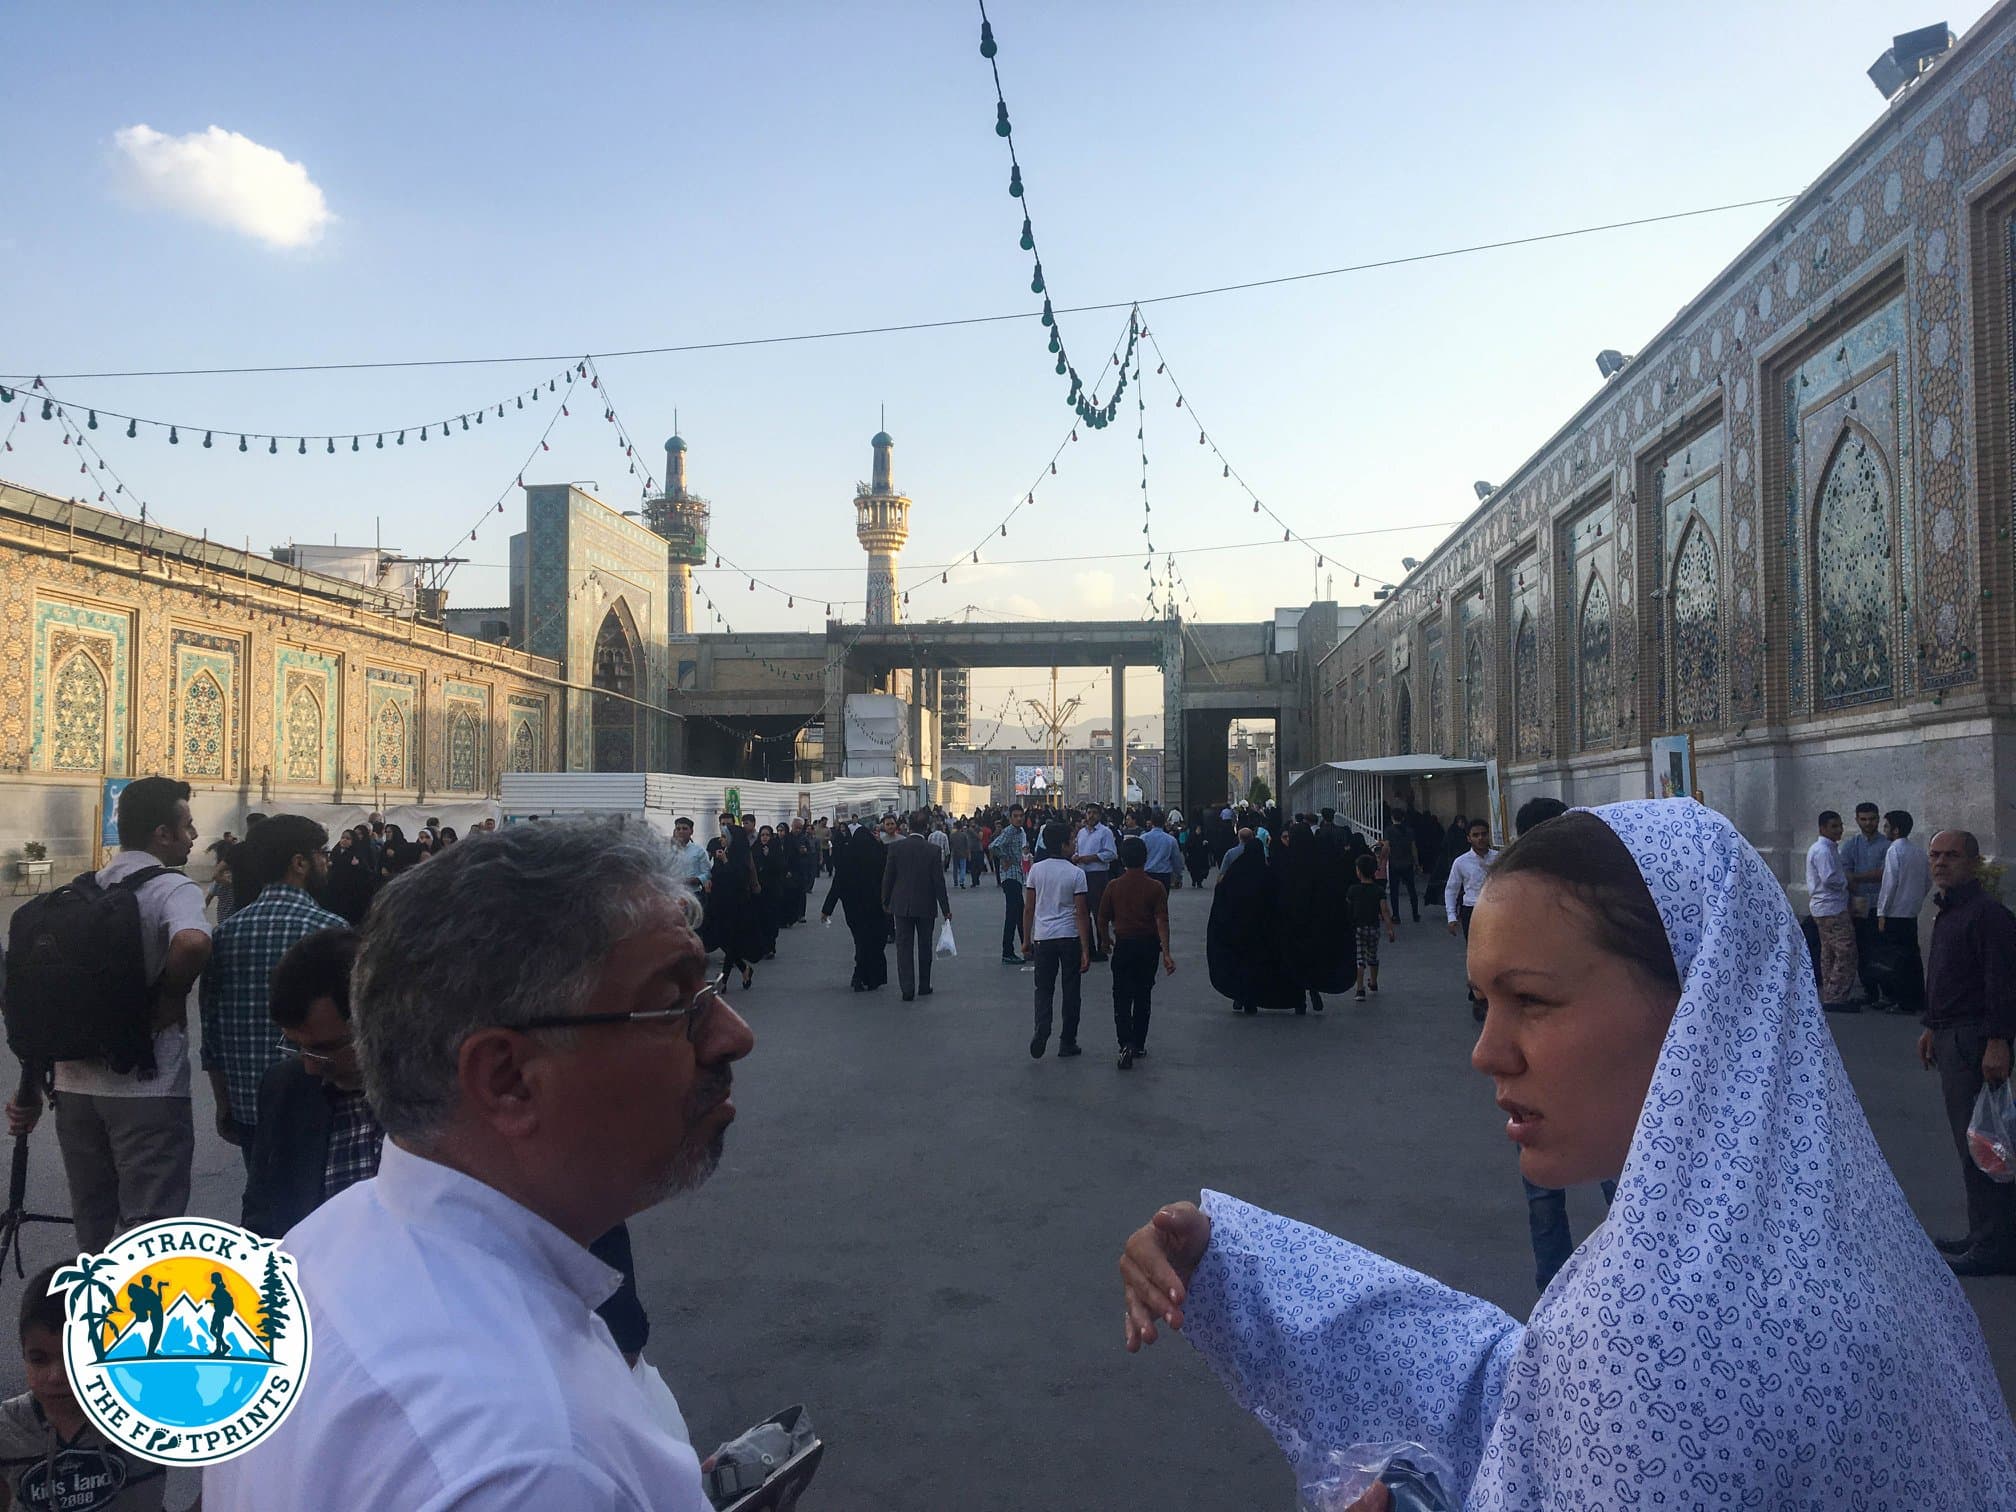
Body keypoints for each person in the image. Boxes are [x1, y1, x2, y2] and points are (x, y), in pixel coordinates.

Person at [1118, 801, 2016, 1506]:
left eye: (1533, 1002)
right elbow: (1527, 1393)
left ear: (1698, 1001)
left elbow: (1595, 1391)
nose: (1486, 1051)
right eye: (1483, 1003)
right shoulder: (1850, 1253)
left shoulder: (1652, 1335)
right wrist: (1240, 1264)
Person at [203, 818, 754, 1511]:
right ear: (507, 1079)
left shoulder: (324, 1246)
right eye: (674, 1005)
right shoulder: (533, 1466)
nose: (734, 1034)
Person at [5, 776, 209, 1254]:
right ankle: (138, 1324)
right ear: (163, 834)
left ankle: (91, 1318)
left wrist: (30, 1088)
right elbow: (194, 942)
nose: (195, 836)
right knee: (149, 1227)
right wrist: (169, 994)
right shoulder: (172, 888)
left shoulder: (82, 889)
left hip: (73, 1088)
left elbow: (38, 995)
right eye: (188, 826)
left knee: (92, 1221)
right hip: (146, 1085)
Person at [199, 815, 346, 1170]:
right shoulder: (331, 932)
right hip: (321, 1104)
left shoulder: (226, 934)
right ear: (300, 863)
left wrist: (224, 1102)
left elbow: (212, 1031)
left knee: (264, 1201)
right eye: (322, 853)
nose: (327, 861)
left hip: (250, 1106)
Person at [1919, 829, 2016, 1276]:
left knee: (1985, 1144)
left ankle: (1995, 1244)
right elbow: (1946, 975)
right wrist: (1929, 1027)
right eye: (1935, 855)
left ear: (1973, 862)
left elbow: (2000, 982)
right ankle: (1983, 1232)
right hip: (1949, 1034)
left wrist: (1999, 1042)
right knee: (1970, 1141)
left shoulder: (1987, 915)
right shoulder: (1947, 911)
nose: (1941, 863)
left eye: (1952, 856)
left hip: (1975, 1040)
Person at [0, 1264, 169, 1509]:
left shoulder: (149, 1413)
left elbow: (230, 1469)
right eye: (39, 1359)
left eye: (75, 1358)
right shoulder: (8, 1430)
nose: (56, 1376)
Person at [1097, 836, 1175, 1070]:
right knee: (1143, 994)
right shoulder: (1155, 887)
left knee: (1121, 996)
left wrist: (1105, 940)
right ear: (1146, 858)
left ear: (1122, 859)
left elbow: (1102, 918)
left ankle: (1125, 1042)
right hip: (1148, 946)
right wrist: (1167, 953)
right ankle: (1139, 1043)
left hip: (1124, 944)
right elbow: (1162, 920)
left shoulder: (1113, 886)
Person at [1206, 841, 1299, 1016]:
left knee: (1244, 966)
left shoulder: (1235, 876)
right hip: (1266, 932)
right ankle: (1290, 999)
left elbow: (1222, 900)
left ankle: (1245, 998)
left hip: (1241, 933)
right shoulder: (1269, 875)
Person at [1025, 823, 1090, 1059]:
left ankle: (1042, 1027)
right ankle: (1067, 1040)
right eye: (1072, 840)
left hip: (1044, 937)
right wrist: (1086, 948)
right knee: (1071, 990)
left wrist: (1026, 939)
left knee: (1043, 988)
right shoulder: (1076, 873)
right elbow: (1081, 913)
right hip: (1069, 937)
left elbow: (1029, 908)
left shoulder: (1036, 870)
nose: (1074, 844)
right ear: (1063, 845)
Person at [881, 809, 951, 1003]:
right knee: (924, 945)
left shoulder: (896, 848)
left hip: (901, 905)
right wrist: (945, 909)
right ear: (926, 827)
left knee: (903, 947)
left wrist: (885, 900)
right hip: (926, 905)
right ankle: (924, 985)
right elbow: (938, 882)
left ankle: (907, 988)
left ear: (907, 827)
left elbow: (888, 877)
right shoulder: (933, 850)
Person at [822, 822, 891, 992]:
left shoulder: (847, 859)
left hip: (854, 911)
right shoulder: (879, 857)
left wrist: (826, 909)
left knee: (861, 942)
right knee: (875, 943)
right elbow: (890, 880)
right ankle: (870, 977)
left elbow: (837, 886)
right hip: (877, 909)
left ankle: (859, 975)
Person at [1875, 808, 1930, 1015]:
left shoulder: (1894, 850)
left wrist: (1882, 912)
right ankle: (1917, 998)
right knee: (1912, 957)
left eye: (1887, 826)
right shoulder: (1918, 851)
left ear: (1896, 830)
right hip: (1910, 912)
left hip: (1895, 912)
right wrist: (1916, 900)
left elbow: (1889, 884)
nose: (1885, 830)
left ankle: (1901, 1000)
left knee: (1897, 959)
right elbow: (1927, 881)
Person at [1444, 818, 1497, 1021]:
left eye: (1483, 833)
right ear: (1468, 838)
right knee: (1475, 953)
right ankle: (1478, 995)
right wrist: (1451, 916)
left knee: (1494, 953)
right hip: (1472, 910)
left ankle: (1490, 992)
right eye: (1476, 835)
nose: (1481, 838)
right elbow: (1451, 889)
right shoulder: (1461, 862)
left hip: (1494, 909)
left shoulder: (1499, 858)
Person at [1807, 810, 1858, 1012]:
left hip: (1825, 906)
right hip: (1831, 906)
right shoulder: (1823, 850)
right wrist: (1847, 880)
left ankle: (1830, 992)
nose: (1839, 830)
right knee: (1846, 951)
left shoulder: (1825, 848)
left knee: (1829, 951)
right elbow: (1829, 878)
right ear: (1822, 828)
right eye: (1834, 826)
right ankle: (1836, 994)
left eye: (1840, 825)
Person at [1841, 800, 1890, 1007]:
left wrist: (1858, 877)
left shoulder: (1887, 845)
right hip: (1859, 904)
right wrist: (1857, 881)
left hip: (1880, 905)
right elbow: (1844, 873)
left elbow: (1883, 874)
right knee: (1863, 949)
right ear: (1857, 820)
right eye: (1864, 819)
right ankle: (1869, 991)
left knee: (1882, 949)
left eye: (1872, 819)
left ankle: (1886, 992)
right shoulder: (1851, 845)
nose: (1868, 823)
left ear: (1878, 819)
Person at [713, 829, 765, 990]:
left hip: (737, 903)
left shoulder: (739, 854)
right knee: (722, 939)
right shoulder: (724, 852)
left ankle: (724, 980)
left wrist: (726, 860)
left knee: (731, 940)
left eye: (724, 837)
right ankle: (744, 969)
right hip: (721, 901)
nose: (721, 840)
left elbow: (739, 878)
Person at [1072, 806, 1119, 962]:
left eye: (1094, 813)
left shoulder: (1105, 832)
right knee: (1082, 913)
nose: (1091, 816)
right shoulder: (1081, 832)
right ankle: (1088, 948)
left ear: (1099, 815)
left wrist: (1090, 858)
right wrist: (1076, 857)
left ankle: (1102, 946)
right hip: (1082, 875)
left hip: (1098, 876)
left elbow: (1111, 854)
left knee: (1099, 912)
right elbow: (1077, 850)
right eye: (1089, 812)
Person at [1346, 854, 1394, 1002]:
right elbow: (1385, 911)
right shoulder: (1378, 890)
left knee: (1360, 958)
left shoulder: (1353, 890)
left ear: (1358, 871)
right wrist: (1390, 928)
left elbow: (1347, 909)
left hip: (1358, 928)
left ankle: (1360, 989)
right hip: (1373, 928)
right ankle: (1373, 982)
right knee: (1372, 956)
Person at [989, 806, 1029, 964]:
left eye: (1021, 816)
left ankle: (1026, 947)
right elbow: (993, 846)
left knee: (1020, 913)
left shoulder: (1019, 831)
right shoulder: (1010, 831)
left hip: (1016, 876)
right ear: (1011, 818)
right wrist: (1006, 858)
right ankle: (1008, 951)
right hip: (1010, 877)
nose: (1019, 819)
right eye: (1016, 816)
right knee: (1013, 914)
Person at [324, 825, 379, 926]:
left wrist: (358, 865)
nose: (344, 840)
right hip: (335, 889)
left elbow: (367, 872)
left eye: (348, 838)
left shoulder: (356, 853)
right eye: (343, 838)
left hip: (350, 892)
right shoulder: (336, 851)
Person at [1382, 809, 1420, 925]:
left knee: (1394, 891)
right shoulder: (1409, 831)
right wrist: (1417, 863)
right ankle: (1415, 913)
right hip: (1407, 863)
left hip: (1394, 863)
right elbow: (1413, 848)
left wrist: (1382, 860)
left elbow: (1387, 847)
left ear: (1392, 817)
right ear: (1403, 818)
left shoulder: (1388, 830)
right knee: (1412, 889)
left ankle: (1396, 915)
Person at [667, 816, 711, 894]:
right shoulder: (668, 850)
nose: (681, 831)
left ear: (691, 831)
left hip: (693, 893)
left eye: (684, 828)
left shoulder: (699, 850)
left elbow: (707, 873)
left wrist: (696, 880)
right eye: (678, 829)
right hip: (672, 894)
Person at [1140, 814, 1181, 894]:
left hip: (1147, 873)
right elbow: (1176, 859)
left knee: (1147, 902)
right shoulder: (1171, 840)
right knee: (1162, 901)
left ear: (1151, 822)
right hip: (1164, 875)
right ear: (1164, 823)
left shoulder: (1143, 838)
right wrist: (1178, 875)